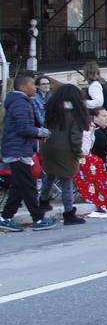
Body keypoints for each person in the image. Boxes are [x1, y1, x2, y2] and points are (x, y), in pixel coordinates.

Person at [0, 75, 55, 231]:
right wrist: (42, 132)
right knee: (29, 185)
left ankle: (5, 217)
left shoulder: (21, 102)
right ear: (23, 87)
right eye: (32, 84)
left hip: (19, 149)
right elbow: (23, 128)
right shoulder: (20, 103)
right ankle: (38, 219)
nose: (35, 87)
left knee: (19, 186)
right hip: (17, 150)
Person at [39, 84, 88, 225]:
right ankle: (68, 214)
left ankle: (43, 201)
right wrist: (78, 153)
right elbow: (75, 137)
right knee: (67, 181)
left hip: (49, 147)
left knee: (50, 175)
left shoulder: (53, 108)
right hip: (66, 149)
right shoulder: (76, 113)